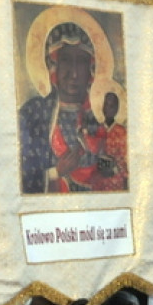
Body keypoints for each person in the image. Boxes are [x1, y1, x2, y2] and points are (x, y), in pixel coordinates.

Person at [19, 22, 105, 194]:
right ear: (53, 65)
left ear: (91, 69)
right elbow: (15, 179)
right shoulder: (33, 115)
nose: (74, 74)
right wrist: (55, 172)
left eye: (81, 62)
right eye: (65, 60)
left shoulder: (98, 119)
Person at [90, 90, 128, 192]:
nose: (108, 109)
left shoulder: (122, 132)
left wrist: (114, 170)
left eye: (112, 106)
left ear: (116, 109)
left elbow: (124, 160)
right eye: (106, 104)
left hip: (115, 181)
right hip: (98, 182)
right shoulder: (96, 129)